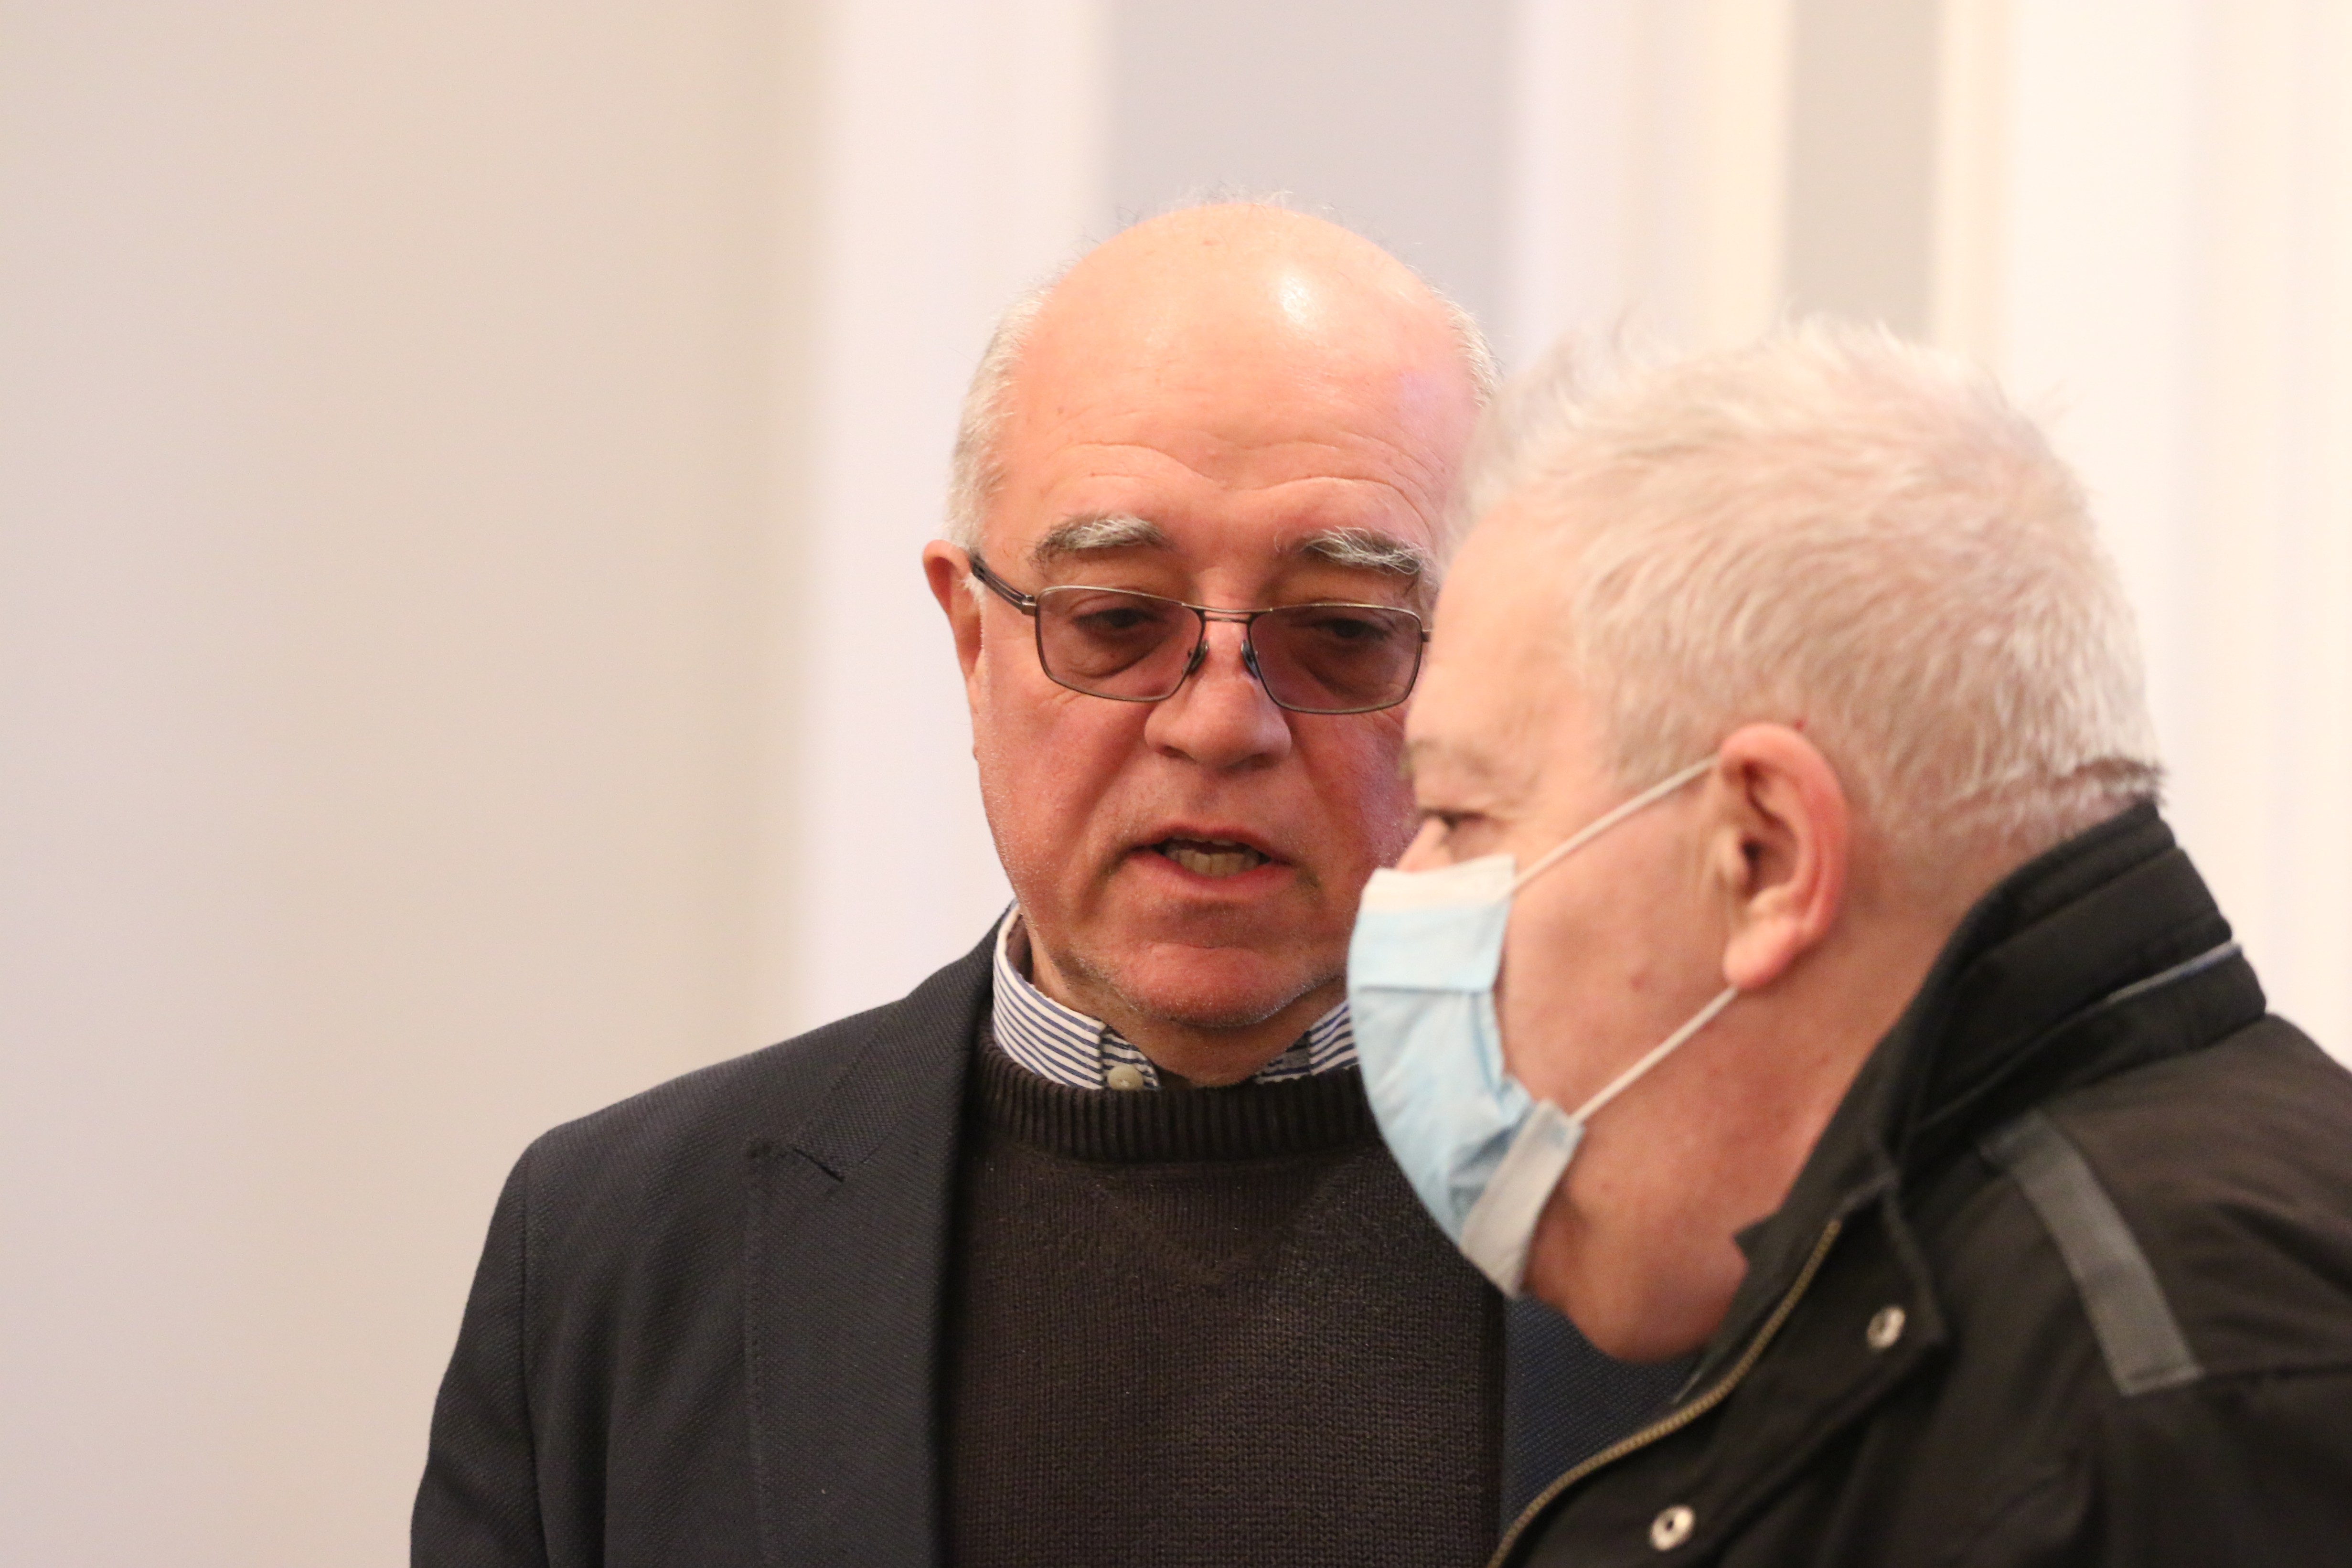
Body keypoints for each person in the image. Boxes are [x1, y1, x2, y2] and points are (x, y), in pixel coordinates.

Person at [412, 204, 1680, 1568]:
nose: (1220, 723)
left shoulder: (1709, 1240)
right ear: (973, 641)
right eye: (1116, 620)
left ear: (1479, 661)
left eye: (1341, 631)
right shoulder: (617, 1249)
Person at [1350, 325, 2352, 1566]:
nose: (1407, 892)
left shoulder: (2161, 1412)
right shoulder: (1979, 1322)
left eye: (1459, 815)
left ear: (1763, 853)